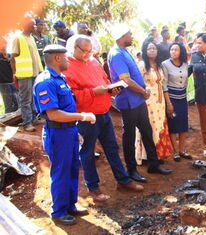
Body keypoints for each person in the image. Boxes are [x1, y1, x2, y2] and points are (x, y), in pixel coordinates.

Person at [63, 36, 144, 202]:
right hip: (86, 116)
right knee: (87, 152)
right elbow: (72, 97)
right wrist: (93, 92)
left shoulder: (94, 62)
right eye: (83, 50)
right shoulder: (67, 67)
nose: (87, 54)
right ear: (74, 47)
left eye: (89, 50)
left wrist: (111, 90)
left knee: (112, 148)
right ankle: (93, 188)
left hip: (104, 112)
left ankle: (123, 181)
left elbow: (105, 81)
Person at [33, 44, 96, 225]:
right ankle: (59, 211)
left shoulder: (60, 78)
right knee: (61, 171)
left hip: (69, 131)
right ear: (57, 58)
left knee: (72, 168)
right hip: (57, 133)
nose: (68, 60)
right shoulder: (46, 81)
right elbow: (54, 114)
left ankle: (70, 205)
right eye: (66, 57)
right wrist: (83, 116)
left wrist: (74, 126)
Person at [108, 25, 172, 183]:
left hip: (138, 99)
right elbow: (125, 80)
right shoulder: (116, 54)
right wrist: (143, 92)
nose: (131, 36)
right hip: (129, 101)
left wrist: (142, 93)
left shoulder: (124, 51)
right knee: (129, 136)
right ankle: (131, 170)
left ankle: (153, 163)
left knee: (147, 130)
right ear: (122, 36)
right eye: (129, 33)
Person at [135, 40, 173, 164]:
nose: (152, 50)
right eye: (149, 48)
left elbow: (162, 83)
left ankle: (159, 153)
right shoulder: (141, 65)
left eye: (154, 48)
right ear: (145, 51)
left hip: (160, 101)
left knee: (159, 126)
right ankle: (147, 157)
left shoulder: (159, 65)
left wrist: (167, 102)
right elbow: (137, 82)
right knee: (150, 126)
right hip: (148, 101)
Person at [11, 17, 44, 132]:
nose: (35, 27)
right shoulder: (18, 38)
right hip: (24, 74)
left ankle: (34, 118)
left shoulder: (31, 38)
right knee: (25, 99)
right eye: (33, 25)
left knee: (33, 97)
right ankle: (27, 122)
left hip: (34, 73)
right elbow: (12, 57)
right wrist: (14, 73)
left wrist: (40, 70)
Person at [162, 43, 192, 161]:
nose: (173, 52)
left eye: (176, 50)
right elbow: (164, 84)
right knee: (173, 124)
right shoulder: (165, 64)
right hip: (172, 99)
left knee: (183, 124)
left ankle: (182, 150)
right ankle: (175, 152)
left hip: (182, 98)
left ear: (181, 52)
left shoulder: (185, 64)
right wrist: (168, 103)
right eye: (172, 49)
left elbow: (186, 82)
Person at [0, 37, 18, 113]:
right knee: (8, 105)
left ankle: (15, 121)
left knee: (16, 103)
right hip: (3, 83)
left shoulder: (10, 56)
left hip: (12, 82)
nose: (5, 46)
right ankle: (8, 122)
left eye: (5, 44)